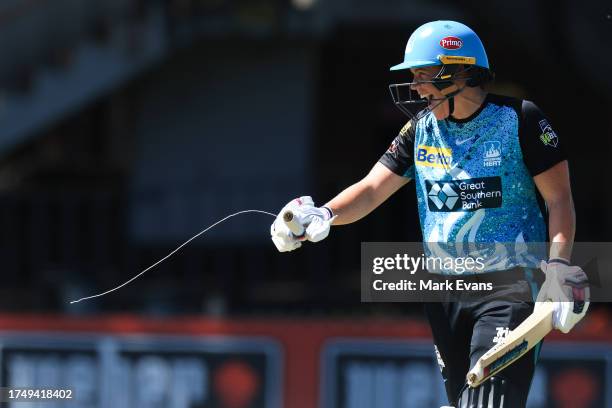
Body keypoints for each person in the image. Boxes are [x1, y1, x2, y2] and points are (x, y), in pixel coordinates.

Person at [270, 20, 589, 408]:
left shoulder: (520, 120)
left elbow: (560, 200)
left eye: (424, 75)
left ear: (459, 72)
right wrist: (323, 214)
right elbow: (372, 189)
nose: (417, 87)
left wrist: (558, 268)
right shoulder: (418, 130)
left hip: (512, 286)